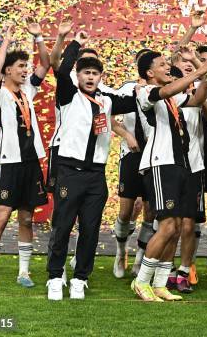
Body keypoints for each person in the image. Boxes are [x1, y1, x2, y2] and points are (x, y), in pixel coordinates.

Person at [45, 32, 139, 300]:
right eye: (85, 72)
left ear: (100, 77)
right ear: (78, 75)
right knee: (62, 225)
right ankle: (54, 276)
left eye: (94, 74)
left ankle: (80, 278)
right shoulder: (68, 95)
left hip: (95, 176)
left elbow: (137, 101)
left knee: (90, 228)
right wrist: (74, 41)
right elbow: (62, 71)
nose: (89, 77)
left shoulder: (107, 100)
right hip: (69, 171)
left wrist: (147, 85)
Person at [131, 51, 207, 302]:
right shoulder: (145, 92)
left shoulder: (175, 96)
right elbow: (164, 92)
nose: (168, 67)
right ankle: (142, 281)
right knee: (167, 225)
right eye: (162, 65)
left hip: (180, 165)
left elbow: (198, 100)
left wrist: (205, 75)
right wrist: (197, 73)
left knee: (176, 227)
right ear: (149, 73)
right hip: (160, 163)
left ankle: (159, 284)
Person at [0, 21, 51, 293]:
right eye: (20, 66)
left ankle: (23, 272)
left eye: (25, 67)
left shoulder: (28, 90)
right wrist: (6, 41)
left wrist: (39, 36)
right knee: (2, 215)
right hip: (8, 162)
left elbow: (45, 63)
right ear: (9, 70)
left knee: (27, 218)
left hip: (31, 163)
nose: (25, 70)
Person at [110, 48, 153, 279]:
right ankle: (120, 252)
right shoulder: (127, 89)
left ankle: (140, 258)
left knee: (150, 210)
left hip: (153, 155)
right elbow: (110, 116)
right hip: (131, 153)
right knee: (127, 210)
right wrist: (127, 136)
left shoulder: (159, 89)